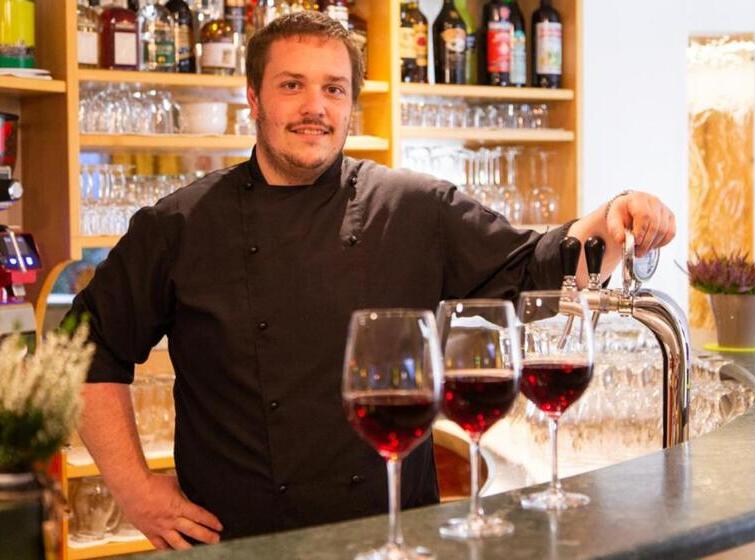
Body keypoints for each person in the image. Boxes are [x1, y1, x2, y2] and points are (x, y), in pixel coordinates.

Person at [68, 11, 676, 551]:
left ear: (351, 105)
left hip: (393, 542)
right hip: (237, 545)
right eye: (292, 85)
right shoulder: (180, 225)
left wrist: (615, 217)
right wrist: (134, 490)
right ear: (253, 97)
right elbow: (82, 348)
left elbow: (533, 267)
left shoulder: (414, 208)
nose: (315, 107)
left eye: (334, 88)